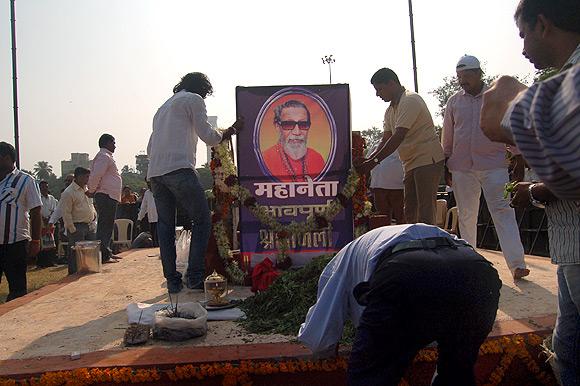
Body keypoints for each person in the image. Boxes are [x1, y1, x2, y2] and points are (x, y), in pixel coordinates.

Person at [480, 0, 579, 383]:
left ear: (543, 24)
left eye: (523, 35)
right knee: (568, 355)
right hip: (570, 247)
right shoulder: (564, 80)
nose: (522, 49)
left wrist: (536, 191)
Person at [298, 224, 501, 386]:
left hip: (405, 275)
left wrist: (323, 347)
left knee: (369, 375)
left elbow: (325, 315)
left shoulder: (341, 261)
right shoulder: (414, 232)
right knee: (457, 371)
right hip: (477, 273)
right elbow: (446, 283)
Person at [147, 72, 243, 293]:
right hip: (179, 169)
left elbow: (151, 147)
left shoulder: (163, 108)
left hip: (156, 173)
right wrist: (231, 131)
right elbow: (208, 136)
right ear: (202, 89)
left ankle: (172, 281)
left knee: (165, 227)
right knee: (202, 220)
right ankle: (195, 276)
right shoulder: (194, 100)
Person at [442, 55, 529, 280]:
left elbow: (508, 127)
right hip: (461, 166)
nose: (463, 81)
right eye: (459, 77)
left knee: (502, 211)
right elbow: (448, 136)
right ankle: (470, 262)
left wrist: (518, 157)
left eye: (467, 76)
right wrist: (445, 163)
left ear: (479, 73)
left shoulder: (494, 98)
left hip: (494, 165)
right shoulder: (454, 101)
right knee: (467, 215)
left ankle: (517, 265)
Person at [356, 68, 445, 224]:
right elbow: (385, 140)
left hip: (427, 160)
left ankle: (429, 245)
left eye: (380, 89)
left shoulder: (410, 100)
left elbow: (398, 137)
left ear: (392, 83)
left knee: (425, 211)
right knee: (410, 212)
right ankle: (414, 245)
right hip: (410, 163)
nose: (377, 94)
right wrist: (368, 160)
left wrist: (372, 163)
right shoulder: (390, 111)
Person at [0, 142, 42, 301]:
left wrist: (36, 240)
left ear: (6, 158)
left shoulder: (25, 180)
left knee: (17, 290)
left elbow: (36, 211)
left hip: (15, 243)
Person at [262, 100, 325, 182]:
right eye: (288, 124)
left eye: (303, 124)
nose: (297, 132)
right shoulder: (265, 159)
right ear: (278, 126)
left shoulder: (317, 158)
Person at [88, 134, 122, 263]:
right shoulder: (103, 156)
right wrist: (91, 190)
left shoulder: (106, 156)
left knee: (108, 225)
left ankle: (107, 251)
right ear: (106, 143)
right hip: (105, 195)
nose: (115, 145)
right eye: (113, 142)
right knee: (105, 225)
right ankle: (104, 255)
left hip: (109, 195)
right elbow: (96, 175)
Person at [60, 167, 100, 274]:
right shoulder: (69, 192)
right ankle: (73, 274)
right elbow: (66, 212)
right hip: (77, 226)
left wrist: (94, 215)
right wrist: (72, 229)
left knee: (89, 253)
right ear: (78, 177)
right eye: (86, 177)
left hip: (89, 225)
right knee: (75, 254)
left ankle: (88, 272)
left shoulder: (87, 189)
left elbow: (90, 204)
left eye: (88, 177)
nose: (87, 179)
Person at [369, 147, 405, 225]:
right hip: (379, 187)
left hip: (398, 187)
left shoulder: (402, 144)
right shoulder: (376, 145)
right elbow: (369, 162)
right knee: (383, 218)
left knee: (401, 218)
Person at [37, 180, 58, 267]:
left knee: (52, 242)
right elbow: (37, 210)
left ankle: (51, 261)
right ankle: (41, 262)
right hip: (41, 223)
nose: (45, 188)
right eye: (43, 187)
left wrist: (50, 218)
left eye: (46, 186)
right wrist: (43, 218)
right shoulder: (38, 198)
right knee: (42, 243)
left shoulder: (52, 198)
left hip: (50, 223)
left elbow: (55, 210)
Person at [137, 181, 158, 246]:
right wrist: (139, 218)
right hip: (152, 219)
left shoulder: (159, 190)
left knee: (160, 238)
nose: (149, 185)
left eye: (150, 183)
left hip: (161, 219)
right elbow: (143, 207)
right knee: (154, 239)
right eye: (148, 183)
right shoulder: (147, 193)